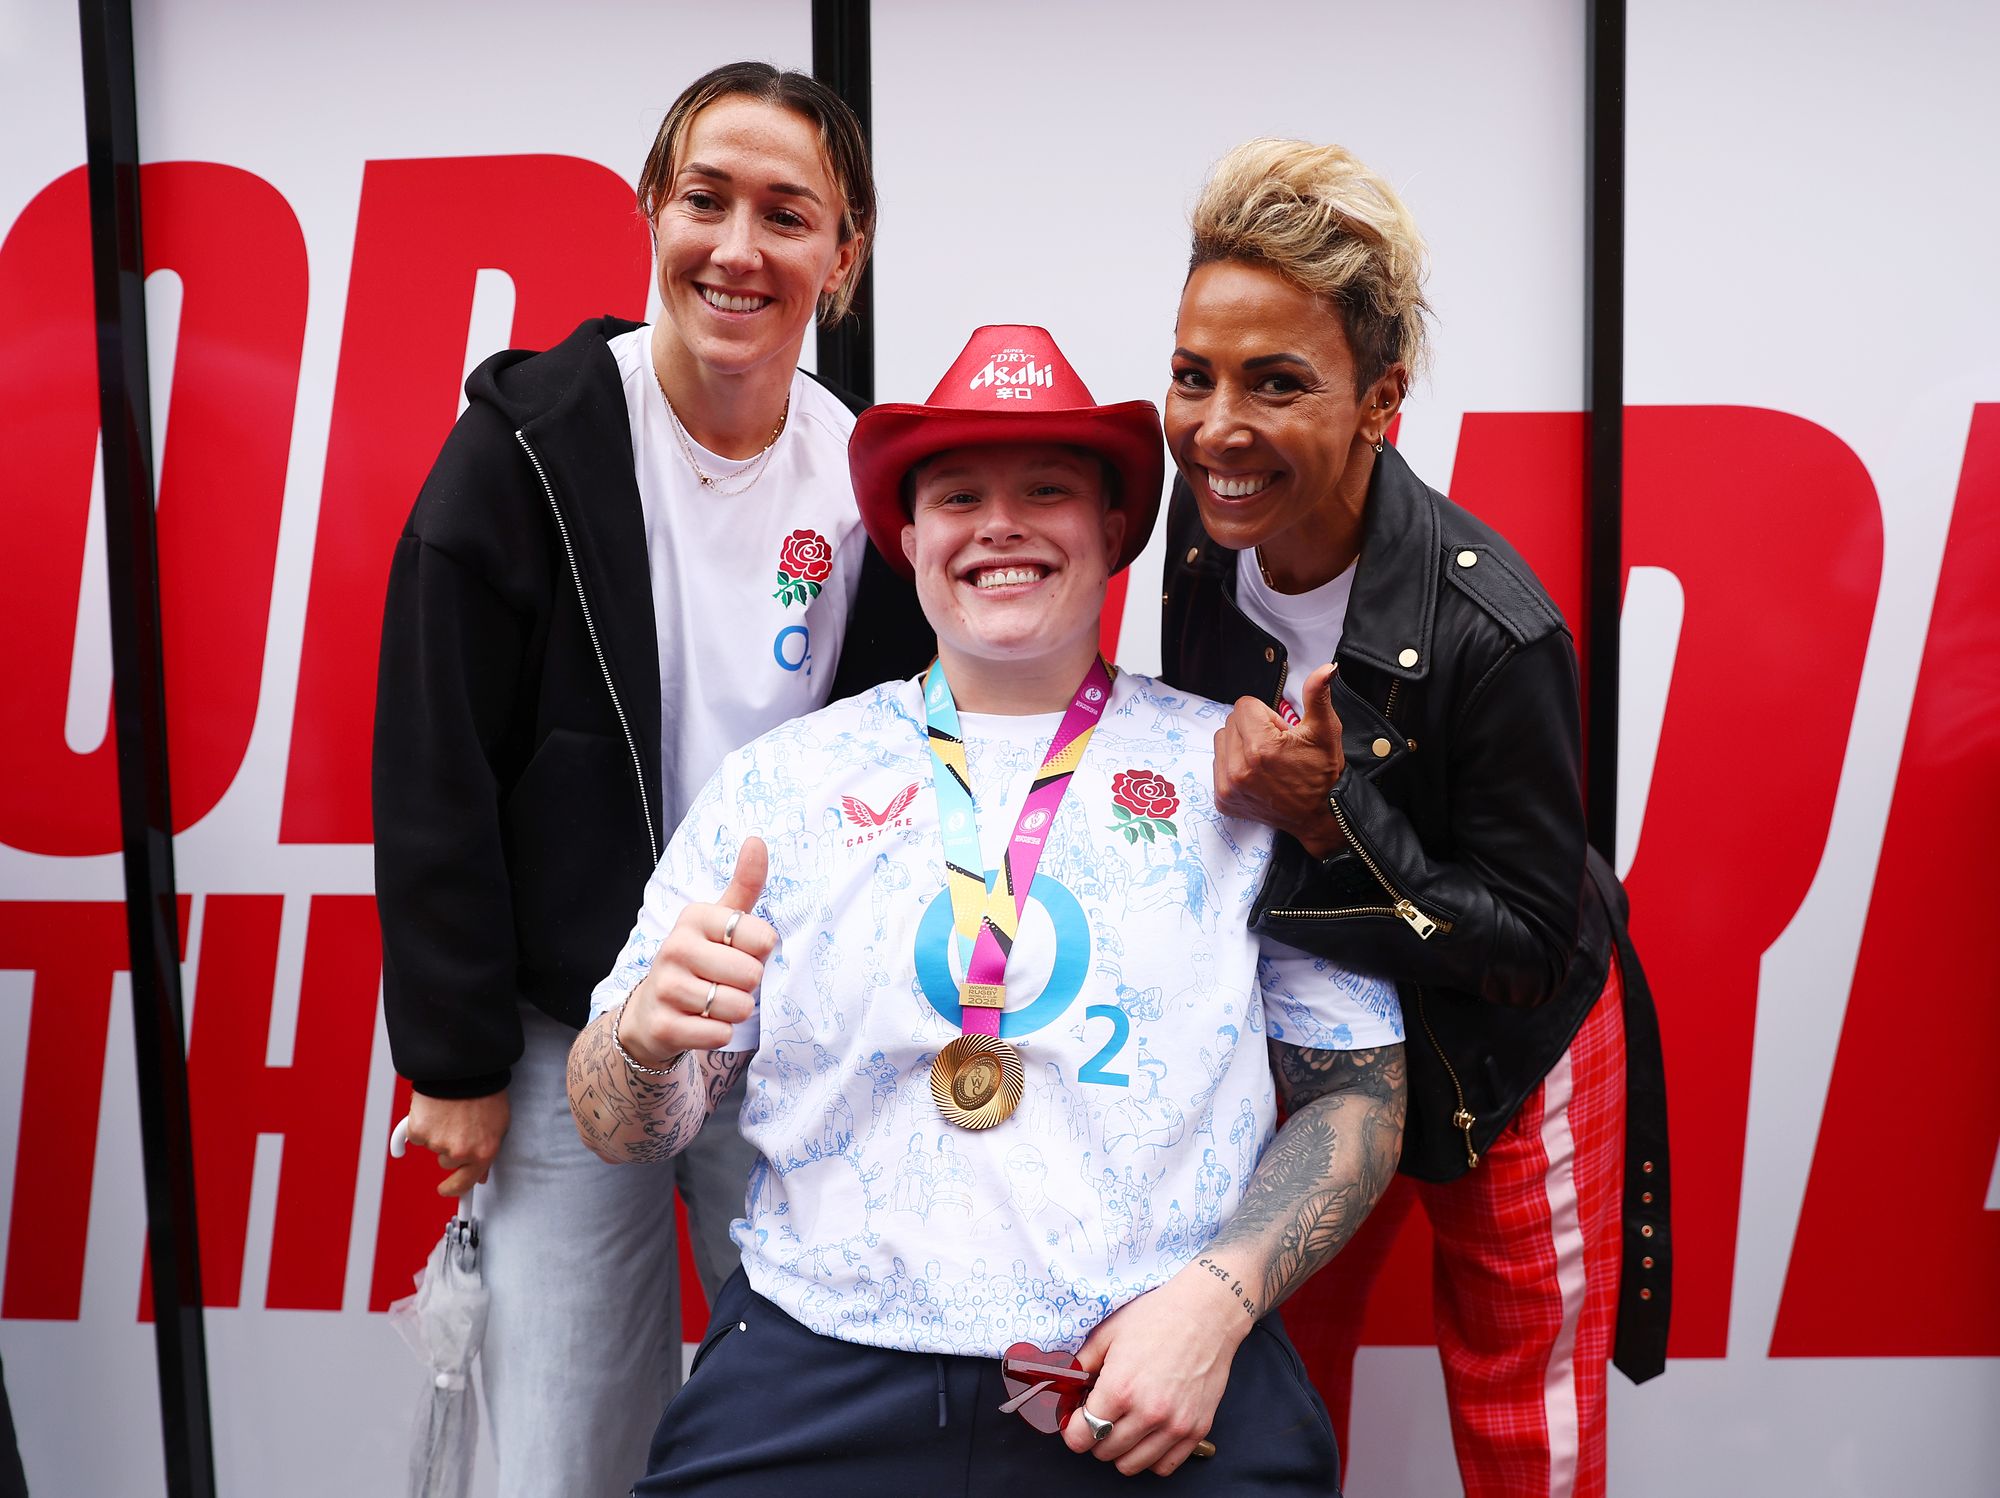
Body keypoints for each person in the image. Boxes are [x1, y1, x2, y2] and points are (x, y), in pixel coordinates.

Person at [568, 325, 1409, 1495]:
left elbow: (1360, 1091)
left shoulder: (1237, 771)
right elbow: (619, 1123)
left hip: (1145, 1378)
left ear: (1115, 531)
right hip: (819, 1371)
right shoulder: (785, 782)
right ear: (909, 538)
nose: (999, 525)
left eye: (1047, 491)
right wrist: (644, 1043)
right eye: (958, 495)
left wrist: (1216, 1305)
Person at [371, 62, 930, 1498]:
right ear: (650, 213)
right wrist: (452, 1058)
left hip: (794, 1041)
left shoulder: (874, 479)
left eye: (786, 214)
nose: (739, 247)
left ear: (843, 253)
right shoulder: (528, 447)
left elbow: (932, 764)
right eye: (706, 200)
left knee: (823, 1429)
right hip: (574, 1032)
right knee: (563, 1446)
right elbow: (433, 757)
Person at [1157, 139, 1670, 1498]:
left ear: (1381, 398)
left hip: (1506, 1049)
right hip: (1309, 1027)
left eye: (1278, 382)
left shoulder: (1497, 628)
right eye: (1194, 374)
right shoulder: (1203, 521)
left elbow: (1526, 942)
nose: (1217, 428)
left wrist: (1335, 822)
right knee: (1265, 1387)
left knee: (1524, 1426)